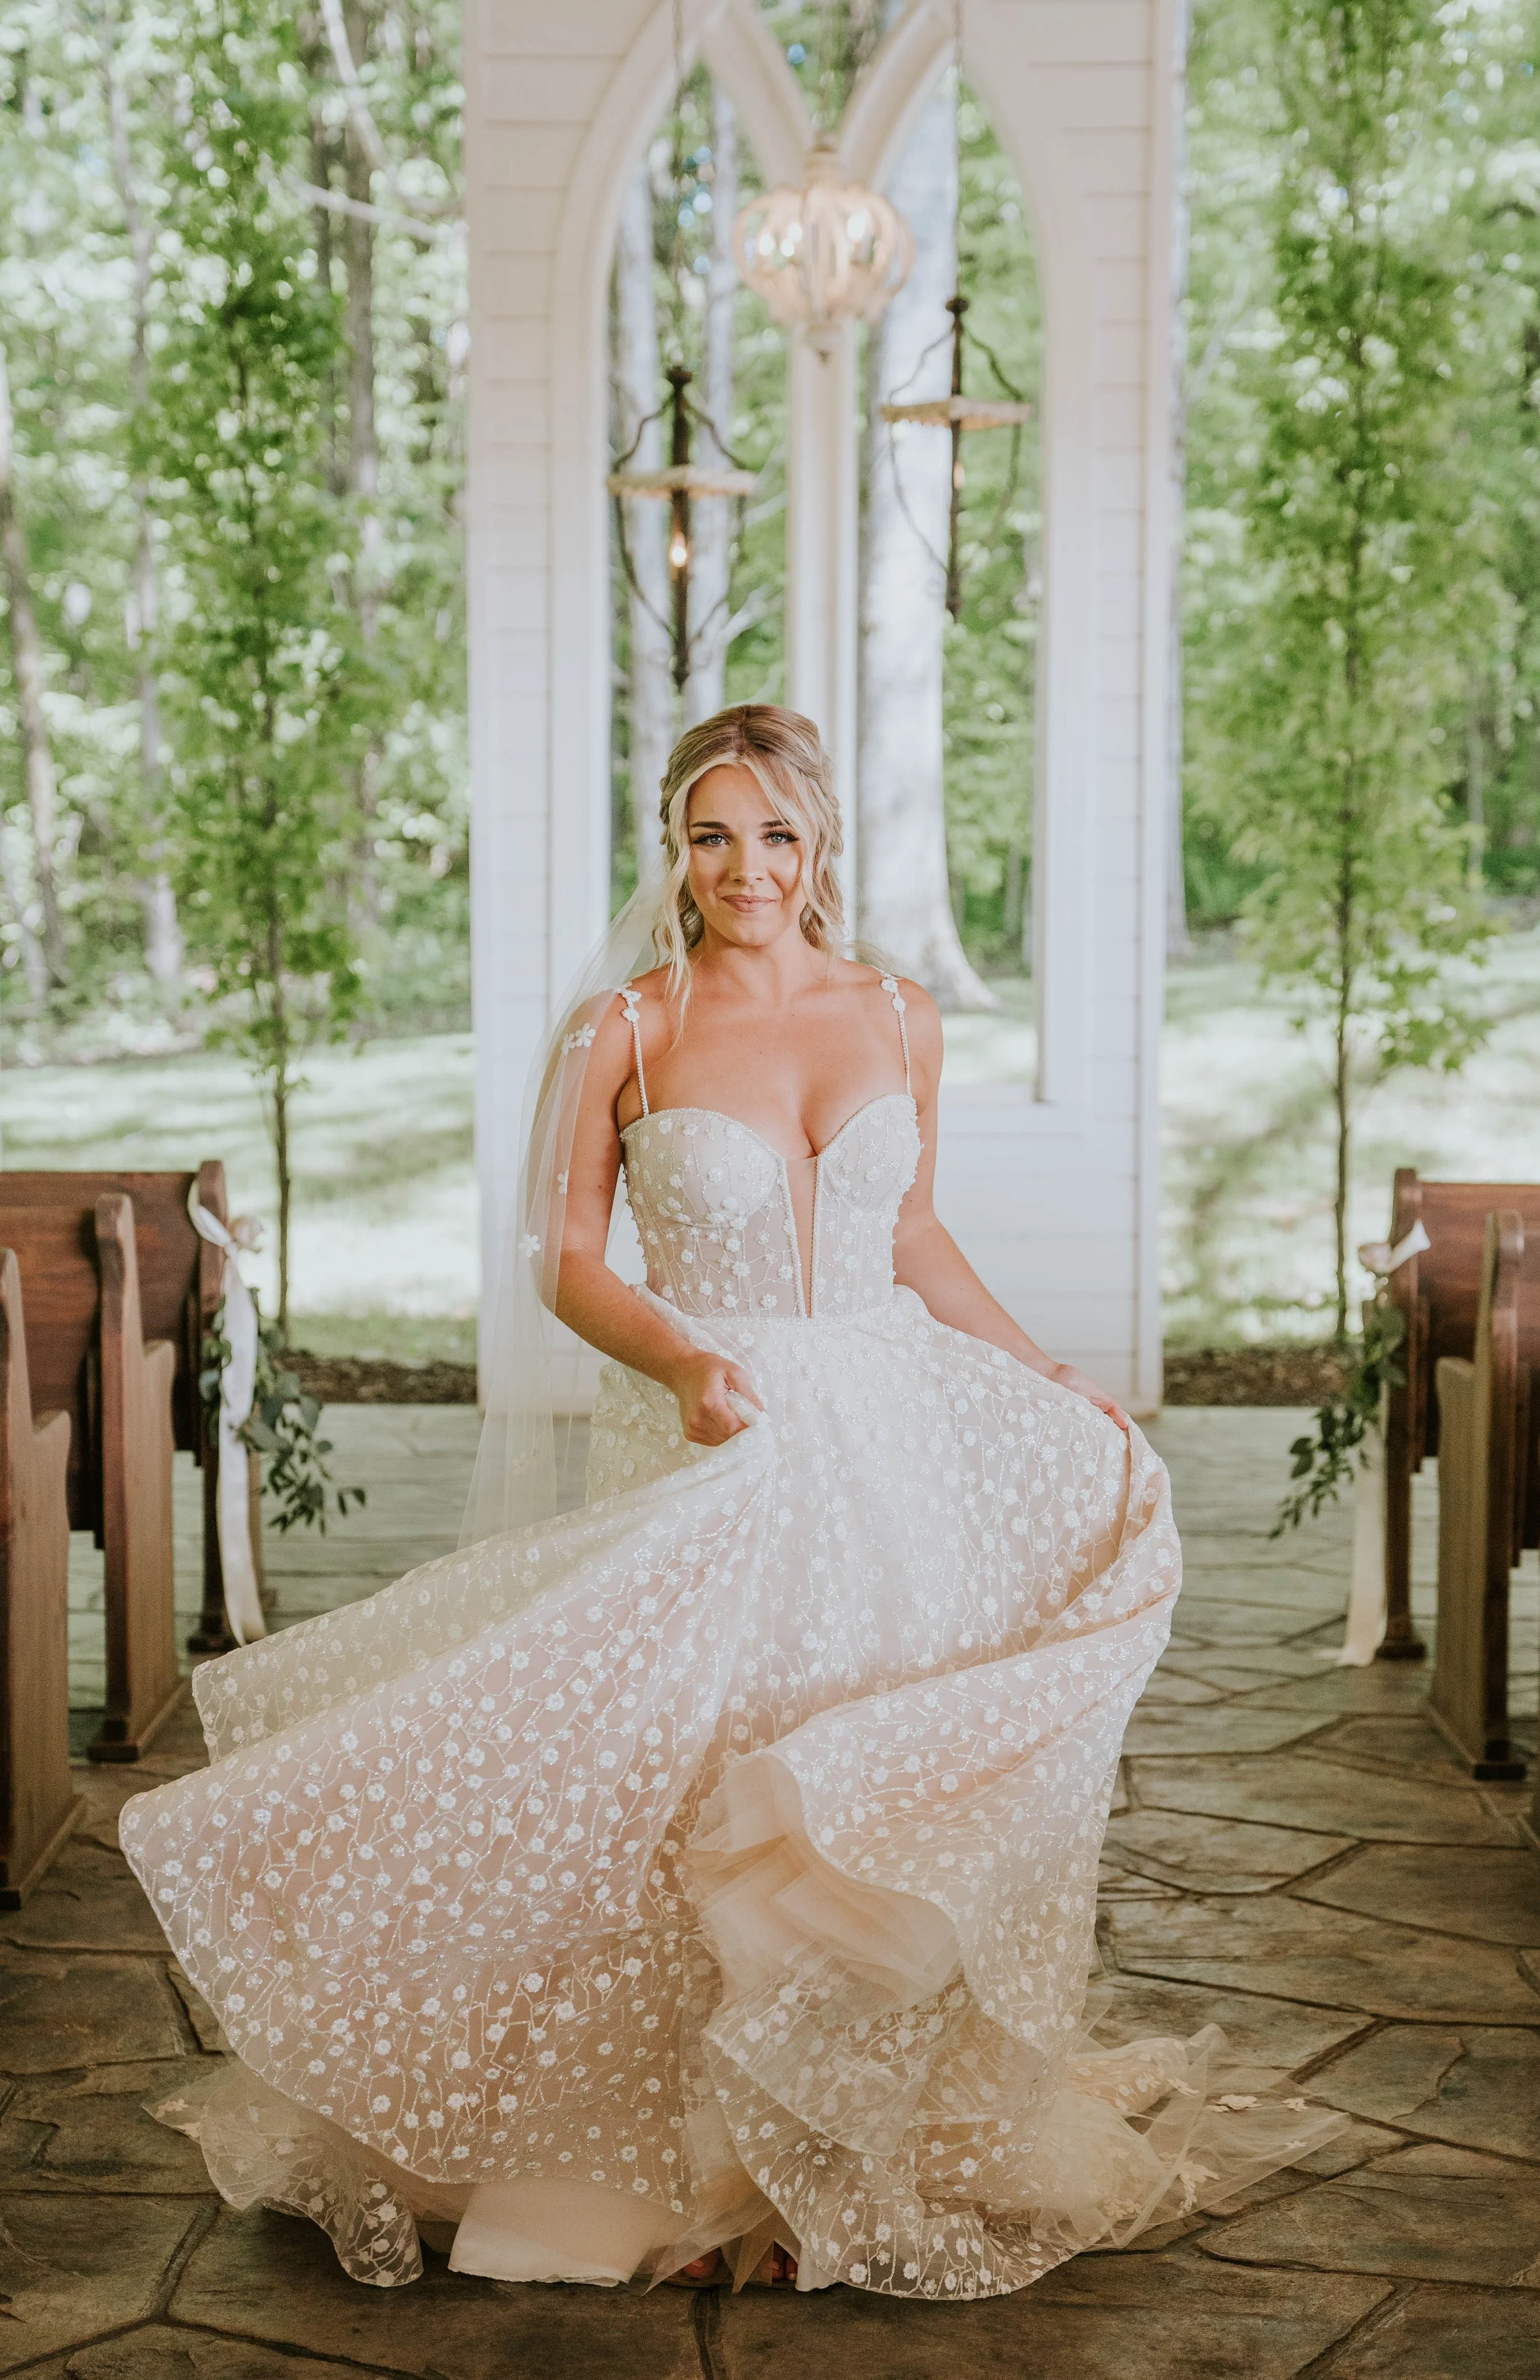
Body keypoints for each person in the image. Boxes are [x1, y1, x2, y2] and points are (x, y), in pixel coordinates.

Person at [122, 704, 1342, 2297]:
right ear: (673, 847)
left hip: (890, 1436)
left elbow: (908, 1232)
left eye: (775, 833)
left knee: (851, 1784)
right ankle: (688, 2176)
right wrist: (689, 1365)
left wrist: (1049, 1374)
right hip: (721, 1426)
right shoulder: (624, 1024)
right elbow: (561, 1260)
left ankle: (832, 2151)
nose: (744, 866)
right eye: (712, 833)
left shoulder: (899, 1014)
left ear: (819, 845)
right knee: (683, 1780)